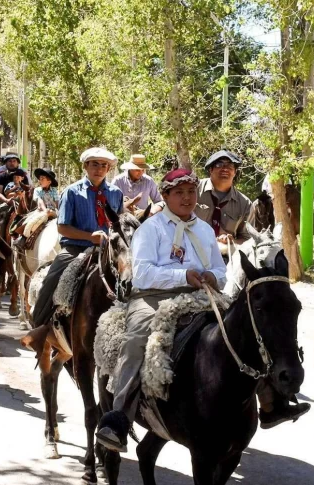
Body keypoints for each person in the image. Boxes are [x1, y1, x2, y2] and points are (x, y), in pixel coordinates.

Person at [96, 168, 227, 452]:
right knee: (136, 340)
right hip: (153, 296)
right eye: (179, 193)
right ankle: (118, 419)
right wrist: (184, 276)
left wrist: (214, 278)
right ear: (165, 196)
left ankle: (270, 400)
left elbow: (220, 269)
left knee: (247, 323)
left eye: (191, 192)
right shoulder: (150, 229)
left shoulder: (205, 229)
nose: (186, 198)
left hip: (202, 294)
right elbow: (141, 274)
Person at [31, 147, 123, 328]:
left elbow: (119, 223)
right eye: (94, 164)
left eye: (104, 165)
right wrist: (90, 237)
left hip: (109, 251)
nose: (99, 169)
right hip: (76, 249)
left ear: (109, 169)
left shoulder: (115, 193)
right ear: (85, 166)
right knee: (53, 279)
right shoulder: (72, 192)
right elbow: (62, 227)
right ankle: (39, 328)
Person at [195, 150, 252, 247]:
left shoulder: (245, 204)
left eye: (230, 166)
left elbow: (247, 239)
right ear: (210, 169)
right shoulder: (194, 189)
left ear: (235, 172)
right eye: (219, 164)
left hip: (226, 256)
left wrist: (232, 241)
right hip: (192, 251)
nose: (225, 169)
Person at [11, 168, 59, 249]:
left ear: (49, 182)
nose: (39, 181)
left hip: (53, 212)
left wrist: (59, 211)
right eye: (39, 179)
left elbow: (57, 203)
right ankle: (24, 237)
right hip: (41, 211)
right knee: (31, 221)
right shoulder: (37, 190)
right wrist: (45, 210)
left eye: (42, 179)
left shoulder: (54, 190)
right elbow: (39, 201)